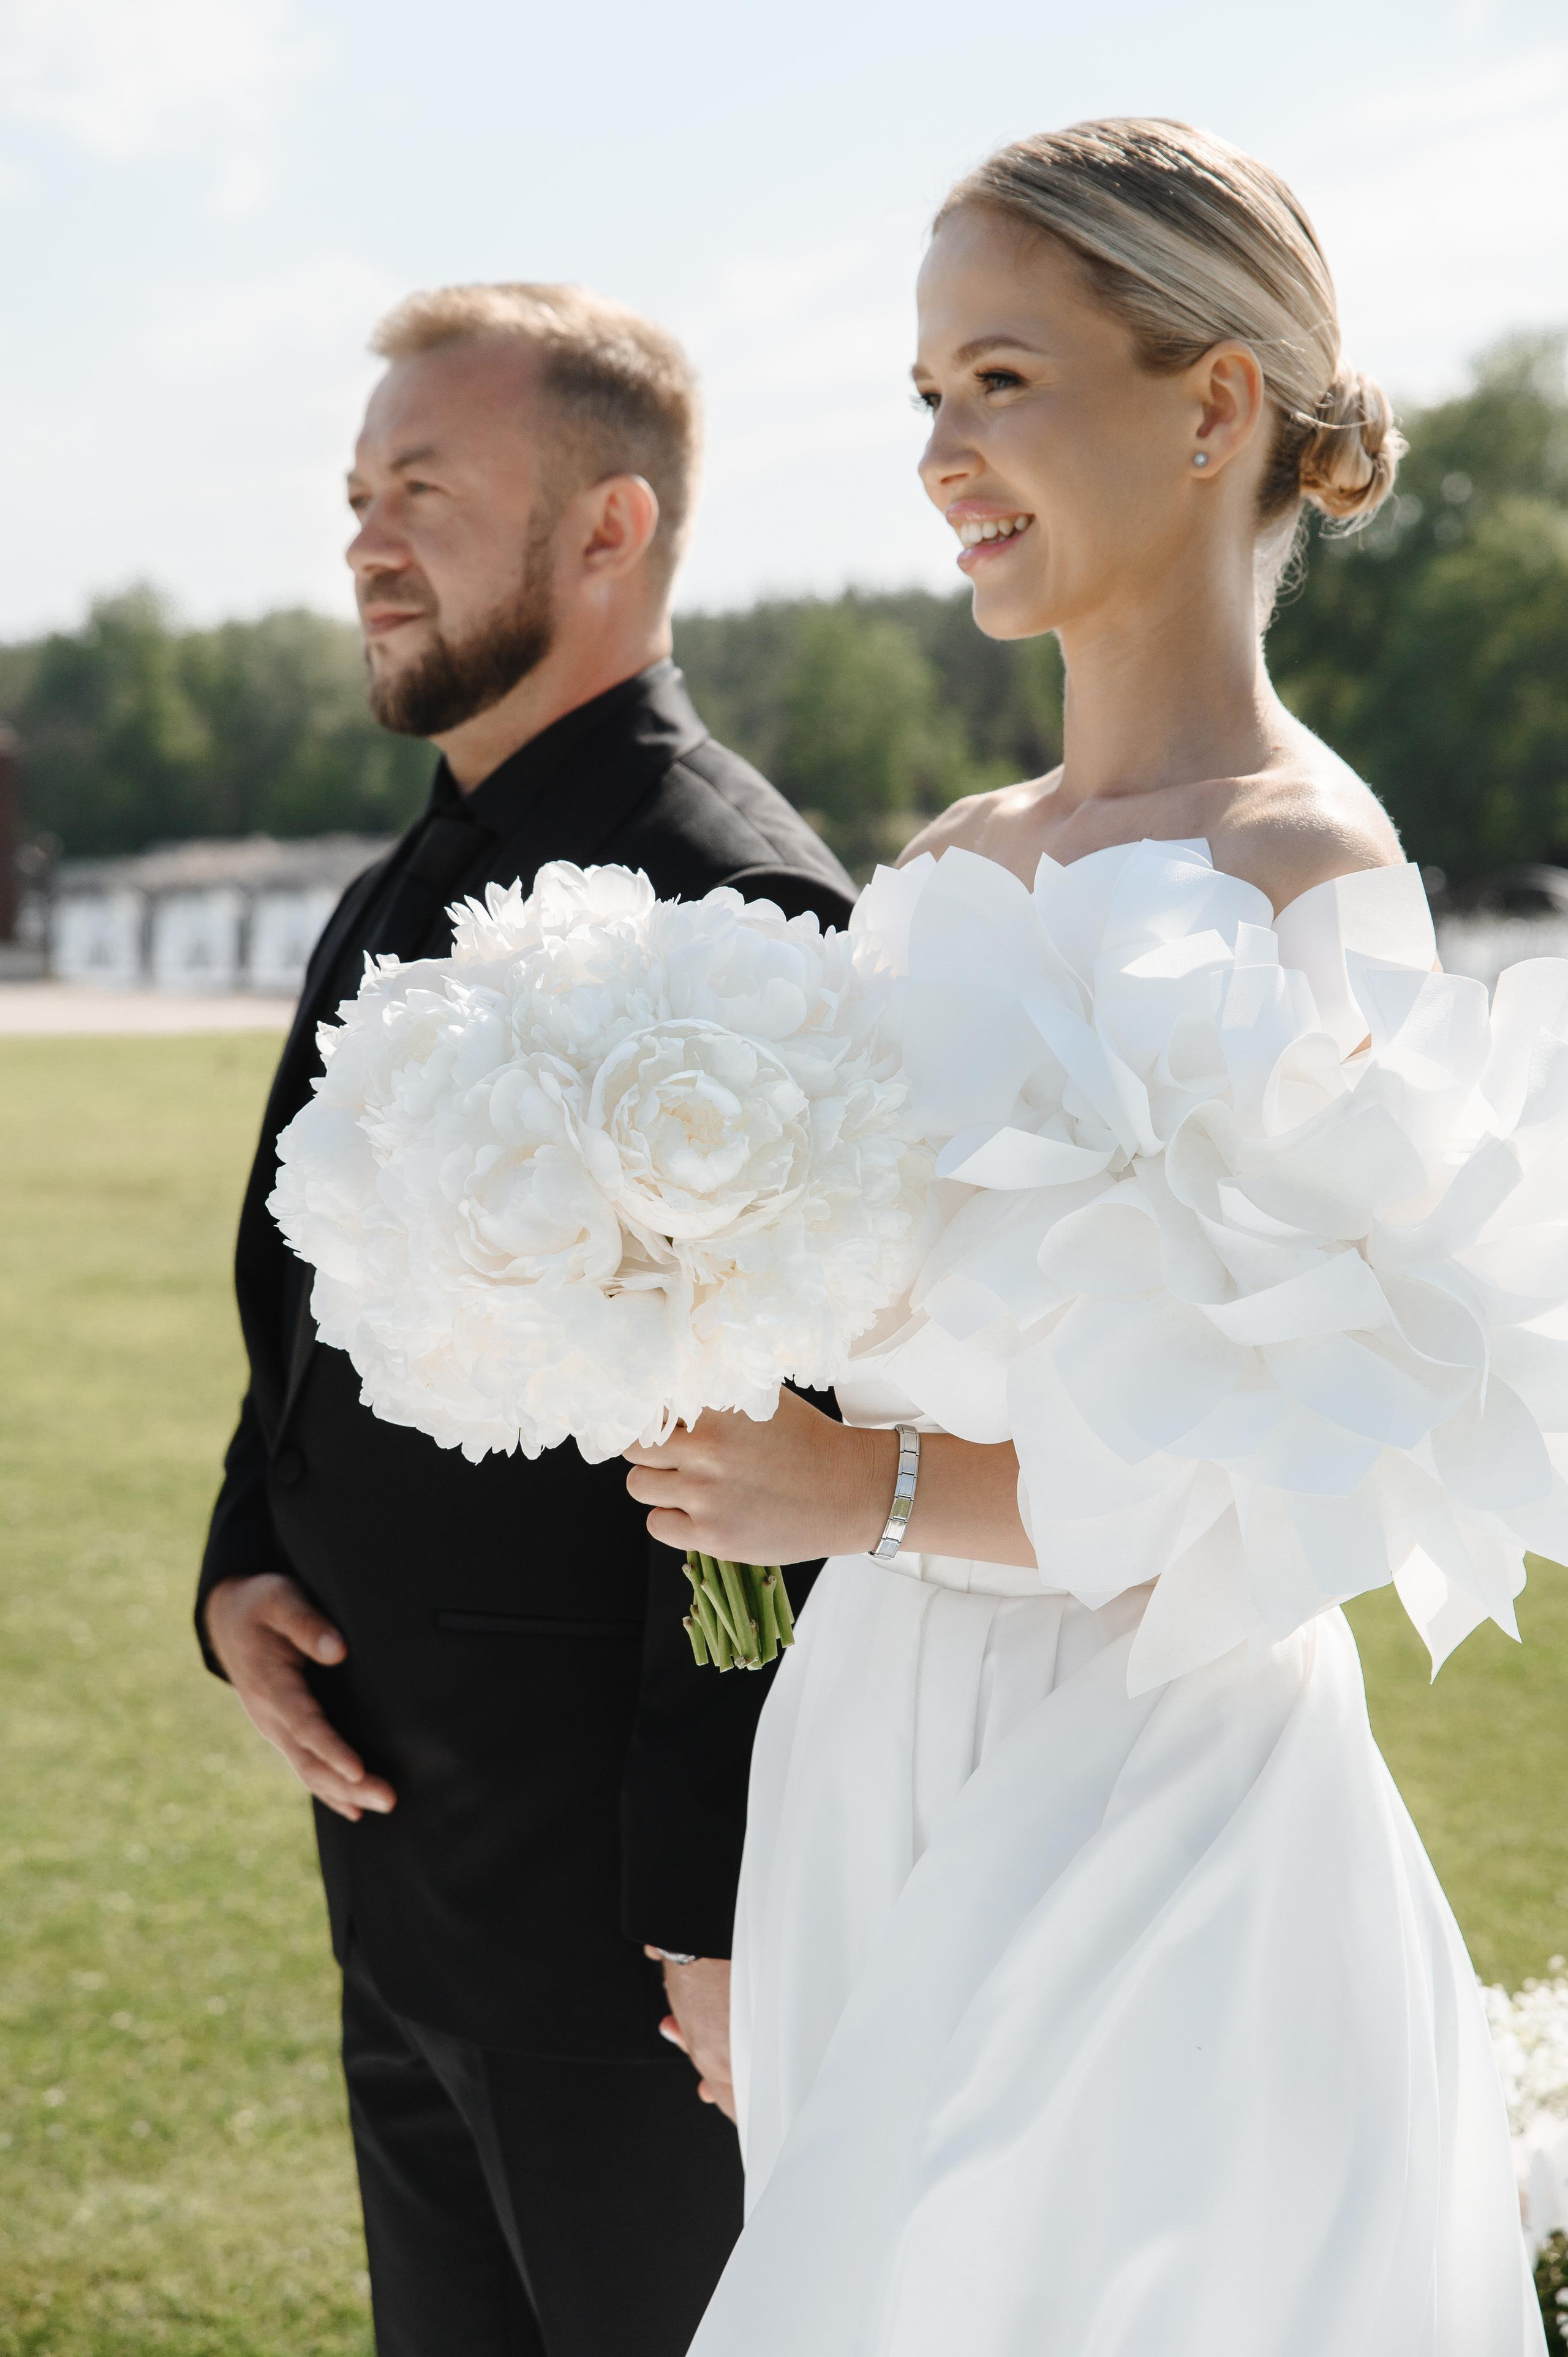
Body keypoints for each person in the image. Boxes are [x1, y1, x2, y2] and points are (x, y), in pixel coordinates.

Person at [624, 123, 1545, 2354]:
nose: (942, 451)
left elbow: (1310, 1470)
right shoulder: (941, 859)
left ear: (1214, 402)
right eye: (925, 392)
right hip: (865, 1746)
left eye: (1002, 380)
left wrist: (878, 1489)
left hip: (1148, 1780)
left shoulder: (1314, 873)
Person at [195, 282, 854, 2357]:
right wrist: (244, 1563)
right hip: (402, 1879)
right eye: (356, 498)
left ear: (606, 530)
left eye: (425, 492)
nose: (368, 543)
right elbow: (308, 1299)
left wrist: (714, 1913)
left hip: (621, 1952)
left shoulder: (738, 911)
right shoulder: (416, 871)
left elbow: (781, 1465)